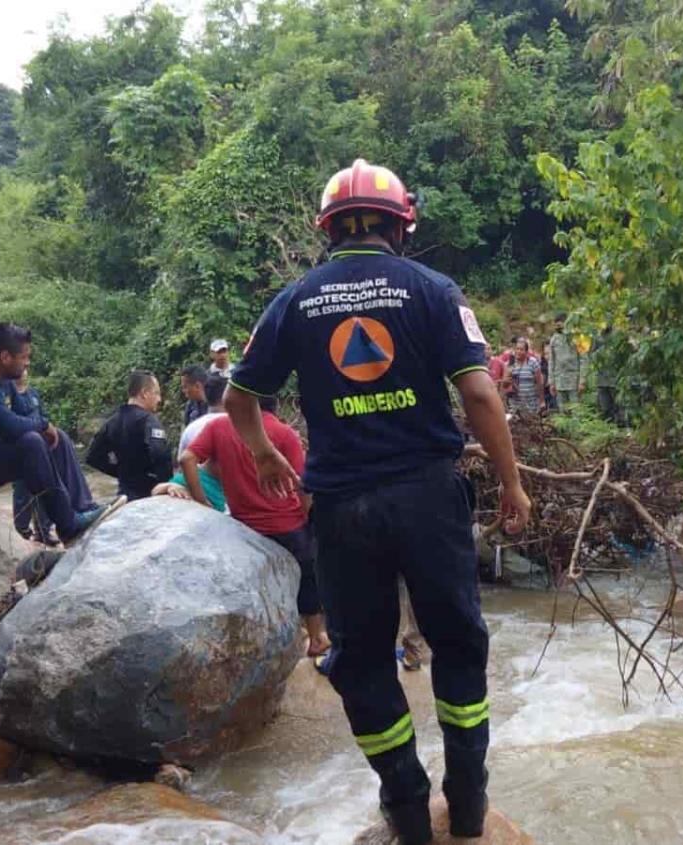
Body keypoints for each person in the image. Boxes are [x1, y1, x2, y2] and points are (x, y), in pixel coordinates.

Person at [223, 158, 531, 844]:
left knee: (361, 658)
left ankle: (407, 809)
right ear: (400, 225)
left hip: (340, 508)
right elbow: (479, 394)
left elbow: (238, 399)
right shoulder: (430, 288)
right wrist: (511, 482)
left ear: (328, 230)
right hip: (427, 496)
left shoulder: (297, 299)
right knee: (456, 642)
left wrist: (265, 452)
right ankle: (469, 803)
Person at [0, 322, 120, 545]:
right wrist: (42, 425)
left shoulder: (0, 378)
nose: (27, 363)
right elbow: (12, 426)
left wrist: (46, 427)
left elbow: (25, 415)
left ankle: (84, 507)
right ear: (6, 356)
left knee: (56, 437)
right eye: (24, 357)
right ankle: (68, 526)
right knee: (31, 443)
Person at [179, 394, 329, 656]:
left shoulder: (218, 427)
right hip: (288, 527)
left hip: (243, 531)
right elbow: (303, 485)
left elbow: (187, 458)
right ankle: (316, 637)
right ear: (275, 405)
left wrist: (202, 504)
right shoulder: (284, 434)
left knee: (254, 592)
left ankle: (257, 647)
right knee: (307, 580)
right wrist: (309, 520)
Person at [10, 370, 98, 544]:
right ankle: (21, 529)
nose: (24, 371)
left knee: (45, 485)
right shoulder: (10, 397)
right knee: (22, 491)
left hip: (40, 446)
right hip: (24, 449)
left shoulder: (33, 394)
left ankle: (43, 530)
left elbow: (42, 416)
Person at [86, 370, 173, 502]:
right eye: (156, 393)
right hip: (151, 495)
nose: (159, 399)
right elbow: (160, 454)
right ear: (144, 393)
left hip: (125, 496)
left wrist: (121, 474)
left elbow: (93, 457)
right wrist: (167, 483)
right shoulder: (148, 420)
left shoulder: (112, 422)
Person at [151, 373, 228, 511]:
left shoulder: (192, 427)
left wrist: (168, 486)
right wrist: (201, 500)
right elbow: (185, 462)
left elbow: (183, 465)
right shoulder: (239, 427)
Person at [548, 313, 587, 408]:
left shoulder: (579, 338)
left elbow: (584, 359)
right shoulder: (553, 339)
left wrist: (582, 381)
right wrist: (551, 382)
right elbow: (551, 361)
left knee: (576, 410)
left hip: (574, 381)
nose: (558, 327)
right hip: (559, 382)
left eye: (560, 324)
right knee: (563, 411)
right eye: (556, 325)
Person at [507, 337, 545, 414]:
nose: (518, 351)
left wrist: (542, 401)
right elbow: (505, 385)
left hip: (531, 403)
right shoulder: (511, 364)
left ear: (526, 351)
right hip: (516, 404)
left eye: (521, 349)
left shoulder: (532, 362)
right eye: (517, 349)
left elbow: (539, 383)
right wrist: (509, 376)